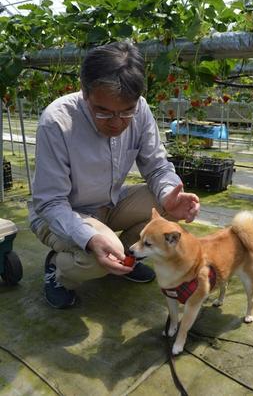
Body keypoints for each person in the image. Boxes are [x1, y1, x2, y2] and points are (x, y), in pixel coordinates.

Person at [28, 41, 200, 309]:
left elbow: (157, 166)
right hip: (63, 212)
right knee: (95, 258)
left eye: (126, 112)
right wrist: (90, 238)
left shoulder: (140, 109)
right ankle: (58, 271)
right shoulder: (57, 122)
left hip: (111, 202)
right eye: (104, 112)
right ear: (85, 92)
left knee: (167, 210)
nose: (117, 122)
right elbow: (50, 202)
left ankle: (124, 259)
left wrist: (169, 194)